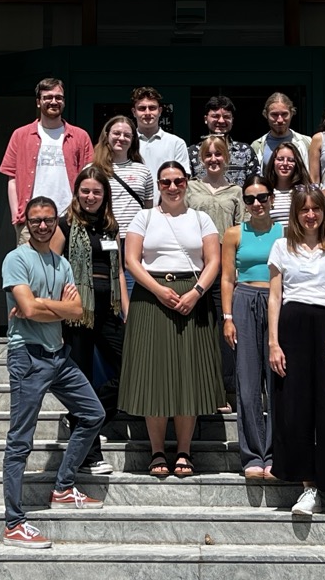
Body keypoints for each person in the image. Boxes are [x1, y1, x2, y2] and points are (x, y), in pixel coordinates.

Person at [0, 196, 106, 549]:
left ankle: (63, 486)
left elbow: (75, 309)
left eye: (48, 220)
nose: (43, 225)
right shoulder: (16, 260)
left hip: (58, 356)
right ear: (25, 224)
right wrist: (43, 307)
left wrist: (42, 305)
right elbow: (26, 308)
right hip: (27, 358)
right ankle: (14, 523)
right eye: (35, 220)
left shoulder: (61, 264)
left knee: (93, 413)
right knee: (20, 441)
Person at [118, 161, 223, 478]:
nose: (173, 187)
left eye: (178, 181)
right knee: (155, 376)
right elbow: (131, 260)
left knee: (187, 376)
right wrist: (158, 290)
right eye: (166, 182)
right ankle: (157, 450)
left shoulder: (201, 218)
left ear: (187, 182)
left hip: (192, 297)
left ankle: (185, 451)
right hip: (152, 298)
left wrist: (196, 292)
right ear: (159, 185)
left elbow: (213, 259)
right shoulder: (144, 216)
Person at [267, 187, 325, 520]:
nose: (310, 215)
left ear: (323, 212)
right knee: (296, 408)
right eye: (304, 209)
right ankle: (309, 488)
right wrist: (274, 343)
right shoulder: (281, 247)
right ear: (296, 213)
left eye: (316, 209)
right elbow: (275, 297)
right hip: (292, 328)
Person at [50, 166, 126, 476]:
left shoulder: (110, 226)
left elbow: (118, 270)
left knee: (132, 367)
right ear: (77, 193)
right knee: (80, 379)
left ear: (104, 195)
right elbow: (51, 266)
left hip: (108, 309)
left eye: (96, 191)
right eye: (85, 191)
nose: (90, 196)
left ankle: (84, 418)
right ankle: (90, 456)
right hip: (76, 313)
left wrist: (126, 311)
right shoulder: (65, 225)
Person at [221, 173, 283, 478]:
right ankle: (252, 456)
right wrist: (228, 317)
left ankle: (275, 453)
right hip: (244, 300)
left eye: (261, 197)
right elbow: (227, 278)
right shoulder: (234, 233)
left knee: (276, 381)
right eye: (250, 199)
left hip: (277, 303)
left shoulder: (286, 232)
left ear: (271, 198)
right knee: (247, 384)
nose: (256, 203)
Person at [184, 135, 245, 412]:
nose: (213, 159)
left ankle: (222, 390)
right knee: (196, 328)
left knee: (223, 327)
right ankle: (195, 388)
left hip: (224, 267)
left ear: (227, 158)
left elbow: (241, 230)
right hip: (194, 264)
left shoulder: (236, 192)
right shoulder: (190, 189)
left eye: (218, 154)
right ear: (200, 159)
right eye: (208, 155)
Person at [0, 78, 94, 245]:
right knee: (31, 268)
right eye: (48, 97)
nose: (54, 101)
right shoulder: (20, 135)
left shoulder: (80, 136)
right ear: (38, 102)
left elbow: (90, 178)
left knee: (70, 269)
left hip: (70, 218)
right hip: (32, 218)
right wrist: (17, 214)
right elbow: (12, 177)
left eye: (59, 97)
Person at [93, 114, 154, 297]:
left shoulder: (143, 171)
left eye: (127, 135)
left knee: (131, 289)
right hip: (103, 237)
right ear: (107, 135)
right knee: (105, 291)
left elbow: (148, 211)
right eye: (117, 133)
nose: (122, 138)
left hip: (134, 240)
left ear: (133, 139)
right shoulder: (92, 170)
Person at [188, 95, 259, 187]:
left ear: (232, 120)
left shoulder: (245, 151)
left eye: (226, 117)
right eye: (215, 116)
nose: (221, 121)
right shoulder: (192, 153)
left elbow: (255, 186)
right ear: (206, 119)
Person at [131, 86, 191, 180]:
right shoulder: (126, 143)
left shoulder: (176, 143)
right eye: (142, 108)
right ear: (134, 112)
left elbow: (181, 180)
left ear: (160, 111)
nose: (147, 113)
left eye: (152, 108)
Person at [250, 92, 311, 165]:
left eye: (284, 114)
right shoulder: (257, 146)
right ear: (266, 115)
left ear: (292, 113)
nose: (280, 120)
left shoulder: (307, 143)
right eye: (274, 115)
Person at [264, 142, 308, 224]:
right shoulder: (264, 192)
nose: (285, 163)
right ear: (273, 162)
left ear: (297, 163)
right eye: (280, 159)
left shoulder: (306, 192)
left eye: (290, 160)